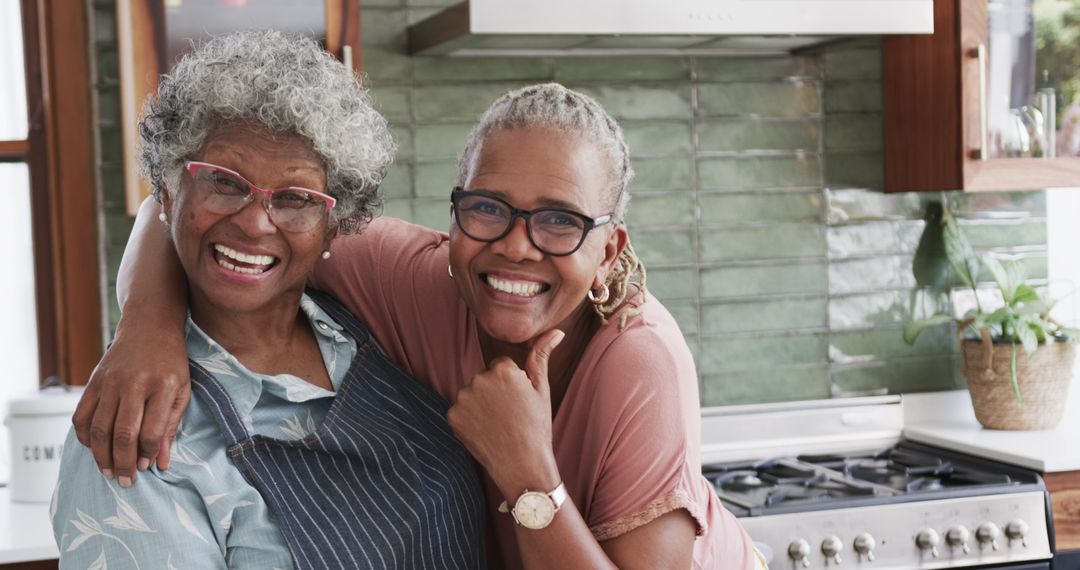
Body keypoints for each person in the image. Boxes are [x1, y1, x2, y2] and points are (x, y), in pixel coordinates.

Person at [76, 83, 763, 569]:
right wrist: (146, 331)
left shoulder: (638, 358)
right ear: (455, 209)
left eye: (560, 220)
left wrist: (526, 470)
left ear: (609, 248)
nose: (518, 246)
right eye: (489, 207)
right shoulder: (412, 275)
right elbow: (194, 214)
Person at [51, 30, 486, 569]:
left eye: (296, 198)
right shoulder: (131, 429)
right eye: (224, 182)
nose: (255, 223)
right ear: (167, 190)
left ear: (333, 227)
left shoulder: (369, 322)